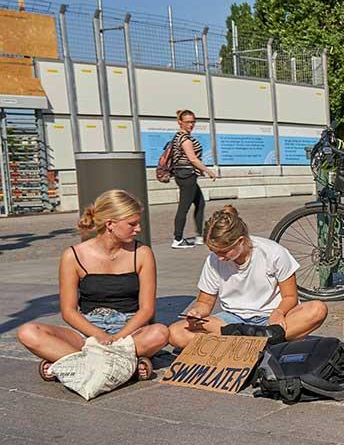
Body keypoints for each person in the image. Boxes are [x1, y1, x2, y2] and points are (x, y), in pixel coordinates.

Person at [17, 190, 168, 381]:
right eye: (132, 224)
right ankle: (127, 365)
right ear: (110, 224)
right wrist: (98, 335)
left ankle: (73, 364)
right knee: (28, 332)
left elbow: (146, 309)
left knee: (160, 332)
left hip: (130, 330)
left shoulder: (142, 253)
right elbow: (69, 311)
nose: (138, 229)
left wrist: (119, 337)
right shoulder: (73, 256)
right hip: (87, 330)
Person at [167, 205, 327, 347]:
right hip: (232, 321)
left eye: (224, 252)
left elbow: (290, 296)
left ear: (241, 241)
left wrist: (278, 312)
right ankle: (263, 342)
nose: (220, 257)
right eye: (214, 252)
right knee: (175, 333)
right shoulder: (213, 260)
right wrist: (197, 312)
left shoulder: (272, 252)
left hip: (270, 318)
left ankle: (238, 343)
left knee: (317, 310)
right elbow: (204, 302)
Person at [169, 109, 217, 249]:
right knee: (183, 208)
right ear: (180, 122)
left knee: (200, 204)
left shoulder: (179, 136)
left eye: (193, 122)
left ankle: (199, 236)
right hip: (186, 176)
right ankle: (177, 239)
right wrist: (207, 170)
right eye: (188, 122)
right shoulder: (185, 139)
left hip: (186, 174)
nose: (191, 125)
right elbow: (192, 158)